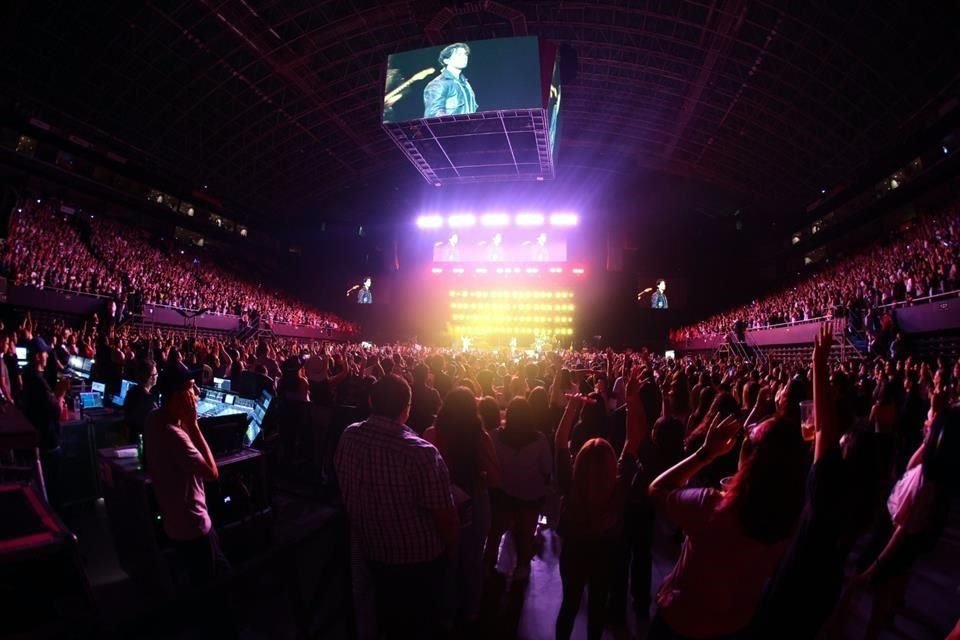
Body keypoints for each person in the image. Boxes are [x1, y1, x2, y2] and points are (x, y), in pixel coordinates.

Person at [647, 412, 808, 639]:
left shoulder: (711, 506)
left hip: (682, 623)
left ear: (749, 459)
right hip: (734, 626)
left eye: (748, 438)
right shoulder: (790, 522)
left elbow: (657, 490)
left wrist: (705, 454)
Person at [335, 374, 459, 639]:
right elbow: (445, 520)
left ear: (371, 400)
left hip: (371, 552)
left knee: (388, 618)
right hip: (419, 562)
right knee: (420, 623)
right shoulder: (422, 453)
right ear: (408, 407)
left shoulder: (349, 436)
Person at [554, 377, 645, 640]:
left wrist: (571, 408)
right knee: (597, 608)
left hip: (573, 556)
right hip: (606, 560)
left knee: (569, 605)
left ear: (579, 462)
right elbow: (634, 440)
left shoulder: (571, 484)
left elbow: (560, 442)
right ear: (611, 464)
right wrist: (633, 400)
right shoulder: (617, 488)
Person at [423, 388, 499, 625]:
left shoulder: (432, 434)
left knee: (445, 559)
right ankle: (470, 611)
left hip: (440, 499)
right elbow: (494, 478)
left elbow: (423, 471)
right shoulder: (481, 438)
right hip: (475, 501)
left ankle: (444, 612)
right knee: (473, 559)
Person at [145, 373, 228, 587]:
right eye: (191, 387)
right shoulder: (173, 434)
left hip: (174, 523)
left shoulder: (154, 417)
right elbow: (211, 473)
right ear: (176, 395)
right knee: (213, 584)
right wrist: (194, 424)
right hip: (194, 526)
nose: (198, 392)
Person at [485, 397, 553, 581]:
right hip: (531, 495)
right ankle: (522, 570)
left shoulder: (494, 437)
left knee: (495, 533)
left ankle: (487, 568)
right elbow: (547, 469)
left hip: (503, 494)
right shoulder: (539, 440)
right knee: (526, 535)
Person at [19, 336, 70, 507]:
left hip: (40, 438)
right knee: (53, 485)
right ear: (37, 356)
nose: (47, 356)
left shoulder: (28, 375)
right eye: (45, 353)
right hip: (48, 441)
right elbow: (53, 411)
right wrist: (60, 394)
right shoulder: (37, 380)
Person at [423, 43, 477, 118]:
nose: (464, 57)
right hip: (452, 128)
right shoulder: (438, 84)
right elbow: (433, 115)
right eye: (459, 54)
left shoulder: (465, 83)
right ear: (446, 61)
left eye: (465, 54)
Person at [124, 358, 158, 442]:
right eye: (156, 373)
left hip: (132, 439)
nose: (157, 375)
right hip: (145, 442)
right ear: (150, 377)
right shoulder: (147, 399)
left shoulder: (131, 392)